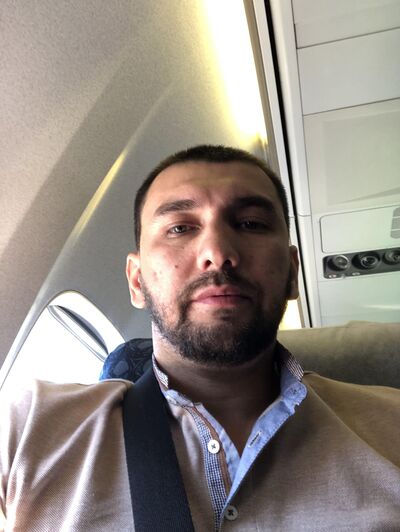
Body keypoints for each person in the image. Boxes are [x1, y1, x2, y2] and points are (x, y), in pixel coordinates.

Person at [1, 145, 399, 531]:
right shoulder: (28, 428)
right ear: (137, 281)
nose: (217, 252)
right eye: (179, 228)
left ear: (292, 273)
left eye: (251, 224)